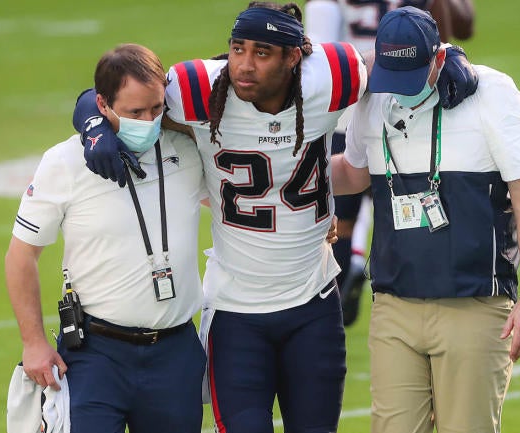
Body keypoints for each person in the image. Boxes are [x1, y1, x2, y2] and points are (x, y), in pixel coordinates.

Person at [73, 3, 477, 432]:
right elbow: (109, 93)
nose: (244, 64)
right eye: (237, 48)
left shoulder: (329, 76)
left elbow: (395, 56)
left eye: (262, 52)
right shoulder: (200, 87)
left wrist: (450, 55)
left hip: (313, 304)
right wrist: (93, 123)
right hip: (235, 312)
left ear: (294, 57)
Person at [331, 7, 520, 433]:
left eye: (411, 77)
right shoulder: (374, 93)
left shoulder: (495, 95)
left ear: (438, 58)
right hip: (394, 304)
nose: (399, 90)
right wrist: (285, 175)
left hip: (474, 305)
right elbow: (354, 173)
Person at [4, 44, 209, 433]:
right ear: (102, 104)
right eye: (135, 112)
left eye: (156, 109)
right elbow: (20, 256)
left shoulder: (187, 150)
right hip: (95, 354)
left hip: (175, 351)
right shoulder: (65, 162)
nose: (148, 121)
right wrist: (33, 342)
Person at [305, 0, 476, 327]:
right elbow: (462, 28)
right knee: (419, 209)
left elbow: (320, 55)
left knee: (344, 223)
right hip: (414, 103)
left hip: (354, 104)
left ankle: (340, 300)